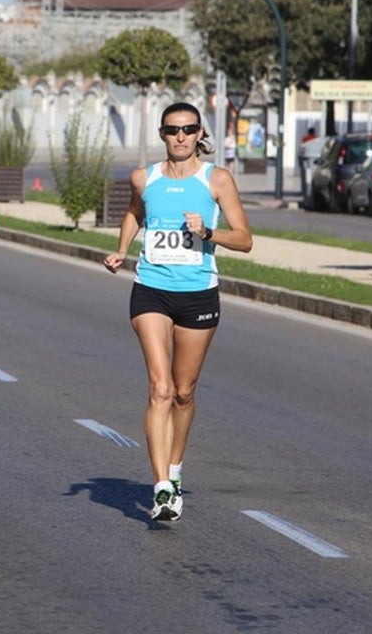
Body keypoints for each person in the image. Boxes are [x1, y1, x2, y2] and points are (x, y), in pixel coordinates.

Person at [103, 102, 252, 522]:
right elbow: (135, 211)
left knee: (184, 392)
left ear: (199, 132)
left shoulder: (216, 180)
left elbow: (245, 239)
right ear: (162, 134)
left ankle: (176, 468)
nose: (181, 136)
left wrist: (208, 232)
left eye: (188, 129)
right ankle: (162, 488)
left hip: (199, 293)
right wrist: (121, 250)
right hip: (150, 289)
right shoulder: (144, 178)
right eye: (172, 130)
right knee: (160, 388)